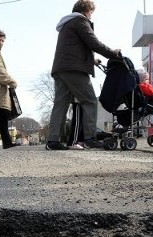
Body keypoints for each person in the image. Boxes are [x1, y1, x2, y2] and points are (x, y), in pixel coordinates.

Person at [46, 0, 121, 151]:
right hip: (74, 69)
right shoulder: (80, 20)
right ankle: (90, 138)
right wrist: (113, 53)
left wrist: (91, 60)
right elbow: (93, 42)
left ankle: (52, 141)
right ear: (85, 10)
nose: (91, 15)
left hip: (61, 68)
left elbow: (73, 48)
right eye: (91, 12)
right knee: (90, 100)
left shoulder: (67, 24)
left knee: (60, 104)